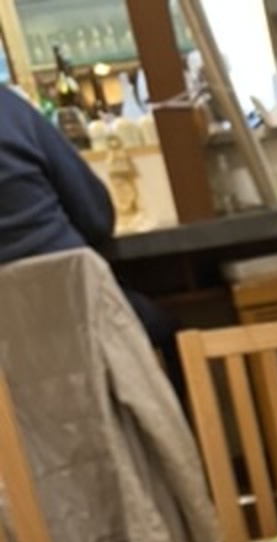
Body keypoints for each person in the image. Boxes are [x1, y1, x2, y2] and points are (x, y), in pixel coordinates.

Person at [0, 83, 187, 405]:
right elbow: (96, 218)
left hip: (13, 374)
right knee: (173, 333)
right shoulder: (10, 110)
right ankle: (176, 433)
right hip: (80, 311)